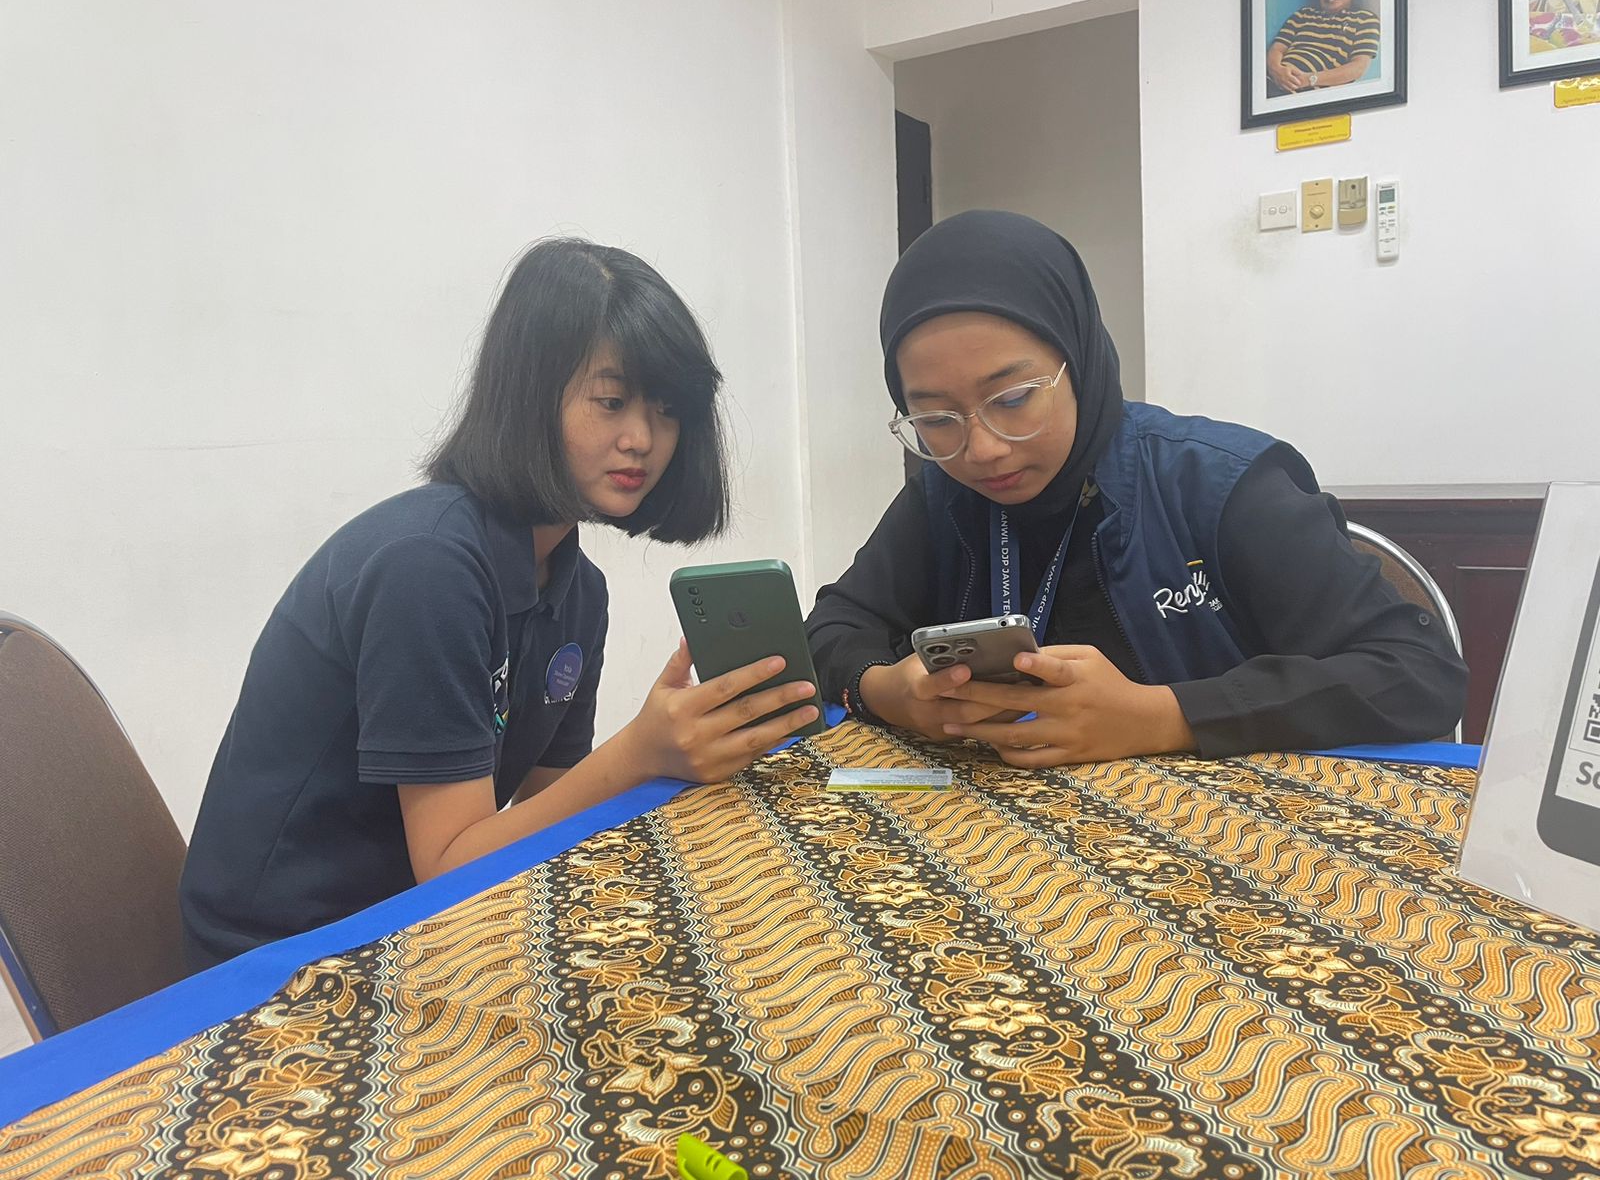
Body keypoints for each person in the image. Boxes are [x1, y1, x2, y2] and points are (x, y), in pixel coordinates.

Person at [180, 239, 817, 969]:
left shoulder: (578, 592)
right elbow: (451, 869)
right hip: (280, 956)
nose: (641, 439)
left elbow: (551, 813)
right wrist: (641, 754)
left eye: (666, 411)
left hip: (417, 923)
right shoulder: (427, 569)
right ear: (530, 393)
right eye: (611, 402)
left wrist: (666, 754)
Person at [805, 210, 1466, 768]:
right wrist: (887, 691)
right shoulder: (944, 498)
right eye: (935, 419)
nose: (981, 449)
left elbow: (1418, 673)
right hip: (1003, 839)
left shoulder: (1219, 484)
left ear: (1079, 361)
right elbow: (831, 628)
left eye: (1011, 400)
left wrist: (1166, 716)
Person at [1267, 0, 1380, 95]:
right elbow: (1277, 48)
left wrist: (1309, 79)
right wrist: (1276, 71)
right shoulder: (1303, 14)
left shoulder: (1365, 19)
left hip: (1302, 93)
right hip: (1269, 81)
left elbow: (1358, 67)